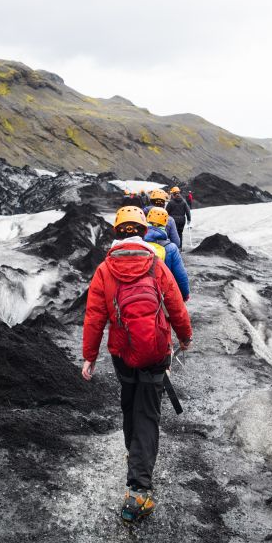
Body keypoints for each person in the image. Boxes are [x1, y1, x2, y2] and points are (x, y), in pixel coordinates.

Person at [82, 206, 192, 523]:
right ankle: (138, 492)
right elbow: (175, 306)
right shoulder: (156, 265)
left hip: (122, 353)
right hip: (157, 352)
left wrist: (89, 356)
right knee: (148, 413)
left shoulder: (104, 270)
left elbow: (94, 318)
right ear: (143, 232)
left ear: (116, 233)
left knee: (130, 404)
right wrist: (184, 338)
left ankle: (134, 454)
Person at [145, 207, 190, 301]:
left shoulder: (138, 243)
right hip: (161, 295)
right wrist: (185, 295)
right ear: (165, 225)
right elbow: (181, 276)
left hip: (139, 293)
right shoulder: (171, 248)